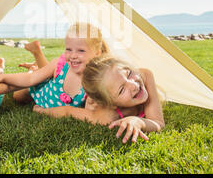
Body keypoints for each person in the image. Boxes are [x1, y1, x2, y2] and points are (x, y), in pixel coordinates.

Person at [33, 55, 165, 143]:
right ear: (111, 104)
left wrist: (138, 122)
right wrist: (41, 111)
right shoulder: (106, 116)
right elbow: (68, 111)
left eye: (129, 73)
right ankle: (35, 68)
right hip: (70, 91)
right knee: (21, 95)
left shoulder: (145, 75)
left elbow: (157, 122)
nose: (134, 85)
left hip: (95, 88)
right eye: (121, 90)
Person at [0, 23, 109, 110]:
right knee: (18, 97)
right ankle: (33, 68)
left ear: (97, 53)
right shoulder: (60, 64)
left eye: (81, 51)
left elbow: (89, 111)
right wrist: (4, 77)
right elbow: (30, 79)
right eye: (68, 49)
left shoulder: (94, 82)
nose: (73, 55)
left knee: (43, 74)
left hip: (51, 99)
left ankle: (36, 58)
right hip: (40, 89)